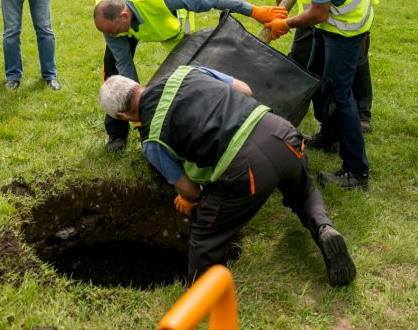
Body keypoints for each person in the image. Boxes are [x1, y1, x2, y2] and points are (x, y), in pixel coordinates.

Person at [99, 65, 357, 286]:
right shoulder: (185, 72)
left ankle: (200, 296)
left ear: (122, 116)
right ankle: (324, 230)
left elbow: (189, 191)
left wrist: (189, 200)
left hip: (247, 169)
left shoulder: (152, 141)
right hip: (281, 133)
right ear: (137, 85)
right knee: (303, 192)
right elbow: (245, 89)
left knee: (204, 238)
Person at [94, 0, 286, 151]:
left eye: (113, 31)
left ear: (125, 16)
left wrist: (255, 12)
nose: (111, 36)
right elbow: (125, 66)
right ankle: (117, 134)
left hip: (167, 25)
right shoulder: (109, 23)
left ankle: (192, 123)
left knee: (188, 73)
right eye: (107, 33)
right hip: (128, 17)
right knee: (115, 75)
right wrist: (139, 113)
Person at [265, 0, 379, 190]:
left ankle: (356, 171)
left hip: (345, 27)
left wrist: (284, 23)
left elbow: (318, 13)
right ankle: (327, 136)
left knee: (340, 95)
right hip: (333, 24)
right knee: (314, 75)